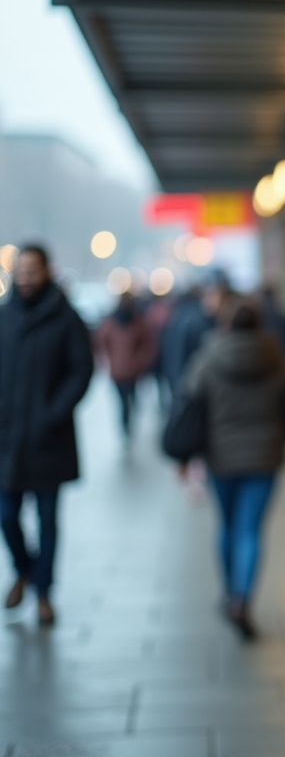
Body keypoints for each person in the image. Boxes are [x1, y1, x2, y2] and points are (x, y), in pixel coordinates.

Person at [184, 294, 285, 638]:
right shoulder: (279, 361)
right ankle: (243, 598)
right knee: (250, 530)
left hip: (219, 458)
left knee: (226, 525)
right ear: (261, 323)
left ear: (225, 323)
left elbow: (190, 406)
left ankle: (229, 592)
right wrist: (278, 437)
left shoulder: (207, 360)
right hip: (264, 459)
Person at [0, 244, 94, 625]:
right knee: (7, 516)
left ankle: (43, 592)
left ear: (46, 272)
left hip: (48, 439)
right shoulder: (4, 316)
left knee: (48, 520)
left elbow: (81, 370)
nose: (25, 278)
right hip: (6, 438)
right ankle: (25, 568)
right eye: (20, 271)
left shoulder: (66, 318)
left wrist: (53, 412)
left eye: (32, 271)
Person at [94, 292, 156, 440]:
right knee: (125, 401)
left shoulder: (119, 322)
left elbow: (147, 346)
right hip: (124, 371)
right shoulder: (135, 322)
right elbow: (102, 343)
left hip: (123, 371)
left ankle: (126, 425)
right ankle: (126, 425)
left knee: (125, 401)